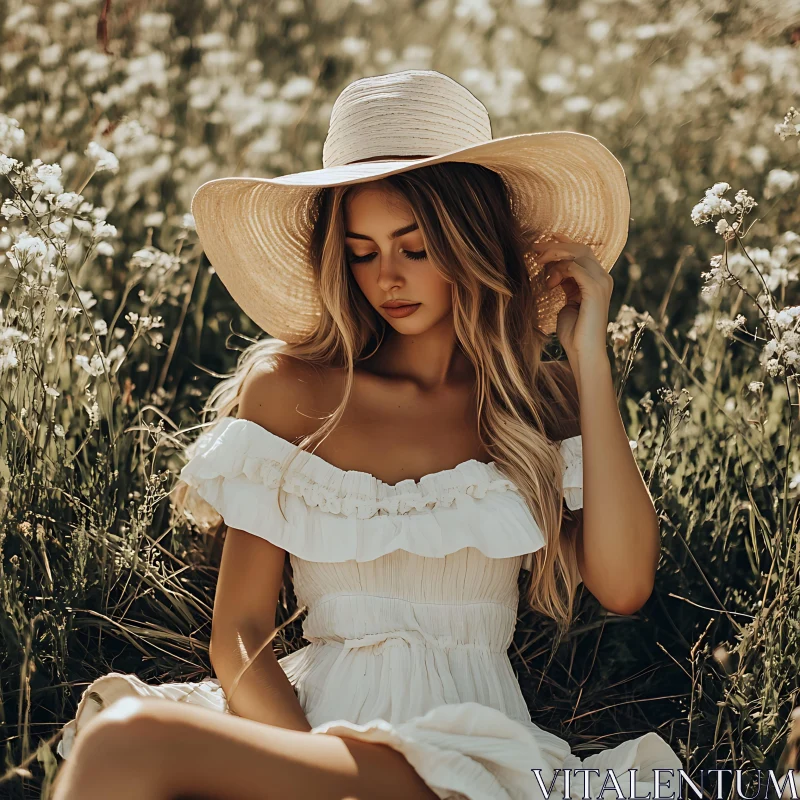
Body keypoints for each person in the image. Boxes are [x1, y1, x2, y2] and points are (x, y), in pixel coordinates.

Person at [52, 70, 683, 800]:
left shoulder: (541, 402)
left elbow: (626, 582)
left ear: (469, 240)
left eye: (414, 247)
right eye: (362, 250)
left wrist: (588, 357)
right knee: (122, 738)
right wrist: (298, 763)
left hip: (459, 749)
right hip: (304, 732)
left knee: (132, 742)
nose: (387, 276)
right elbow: (242, 632)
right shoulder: (292, 391)